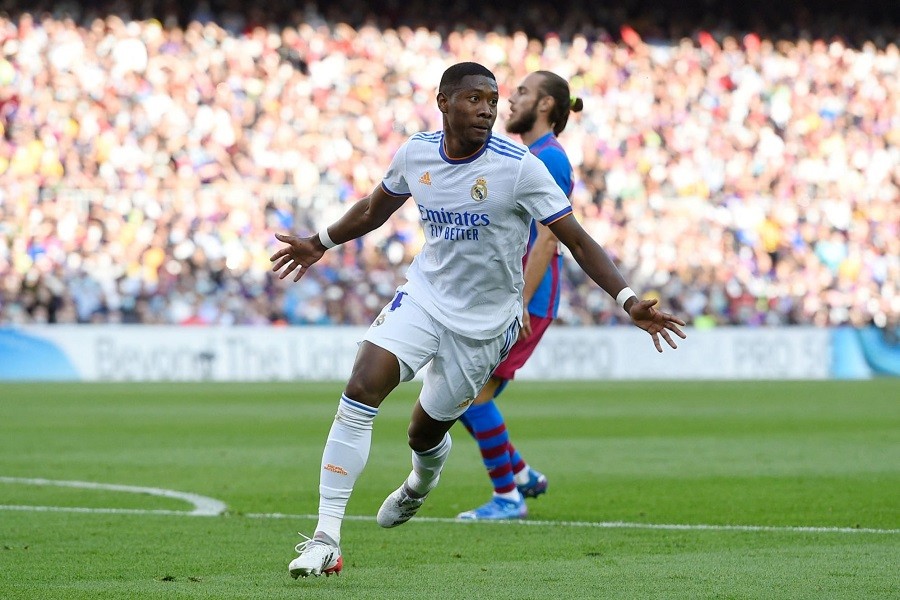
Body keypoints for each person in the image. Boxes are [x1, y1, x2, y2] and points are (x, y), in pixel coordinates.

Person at [270, 61, 686, 579]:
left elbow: (576, 239)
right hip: (423, 298)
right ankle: (326, 538)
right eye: (474, 98)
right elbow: (376, 208)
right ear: (443, 101)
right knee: (361, 386)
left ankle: (420, 483)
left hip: (485, 324)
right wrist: (319, 242)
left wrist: (628, 300)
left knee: (424, 432)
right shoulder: (416, 152)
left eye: (492, 99)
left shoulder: (519, 167)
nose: (487, 108)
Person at [456, 71, 583, 521]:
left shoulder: (549, 159)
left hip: (529, 299)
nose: (509, 100)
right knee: (459, 392)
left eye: (523, 93)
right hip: (515, 297)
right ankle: (521, 475)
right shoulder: (531, 155)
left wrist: (518, 303)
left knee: (470, 397)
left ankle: (508, 496)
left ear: (546, 105)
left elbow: (549, 239)